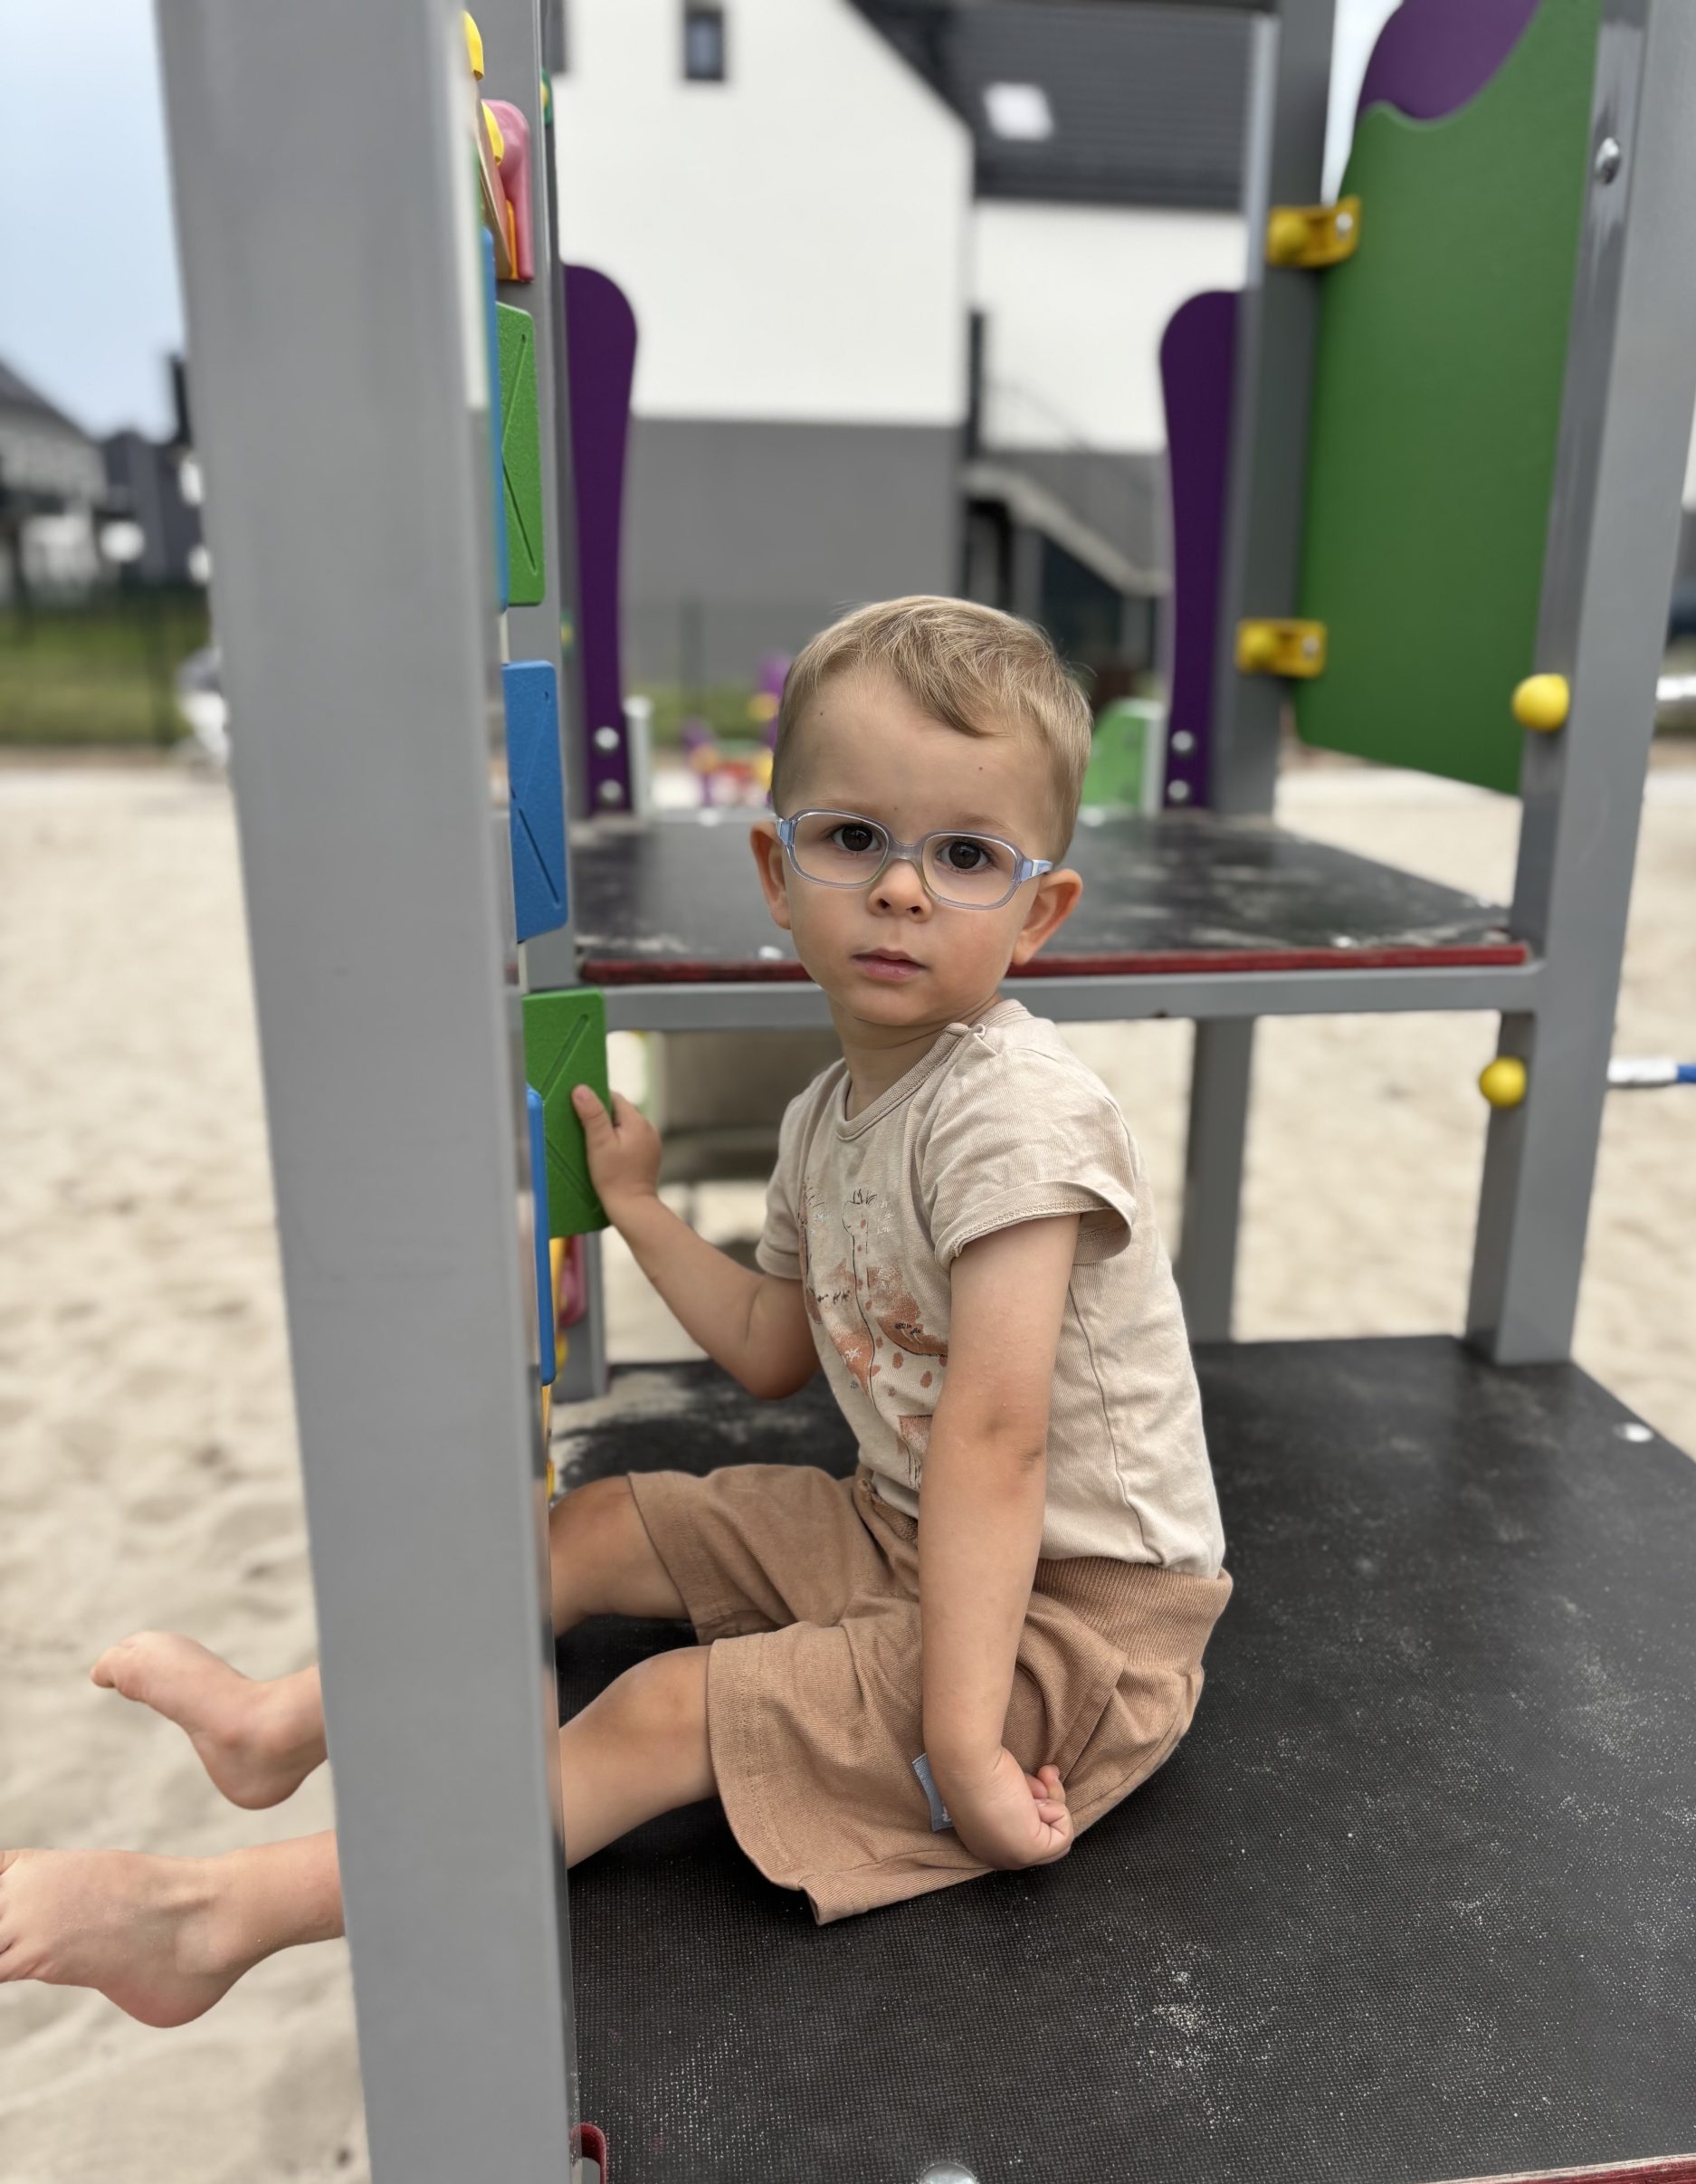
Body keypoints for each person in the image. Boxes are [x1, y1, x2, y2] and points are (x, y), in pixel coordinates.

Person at [0, 596, 1229, 2027]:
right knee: (590, 1528)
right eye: (854, 837)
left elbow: (1000, 1443)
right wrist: (640, 1206)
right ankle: (284, 1727)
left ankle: (214, 1919)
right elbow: (773, 1348)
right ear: (778, 873)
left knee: (657, 1711)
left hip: (1075, 1632)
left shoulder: (1016, 1117)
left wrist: (962, 1748)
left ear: (1040, 909)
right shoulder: (827, 1116)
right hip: (909, 1533)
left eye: (966, 856)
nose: (902, 889)